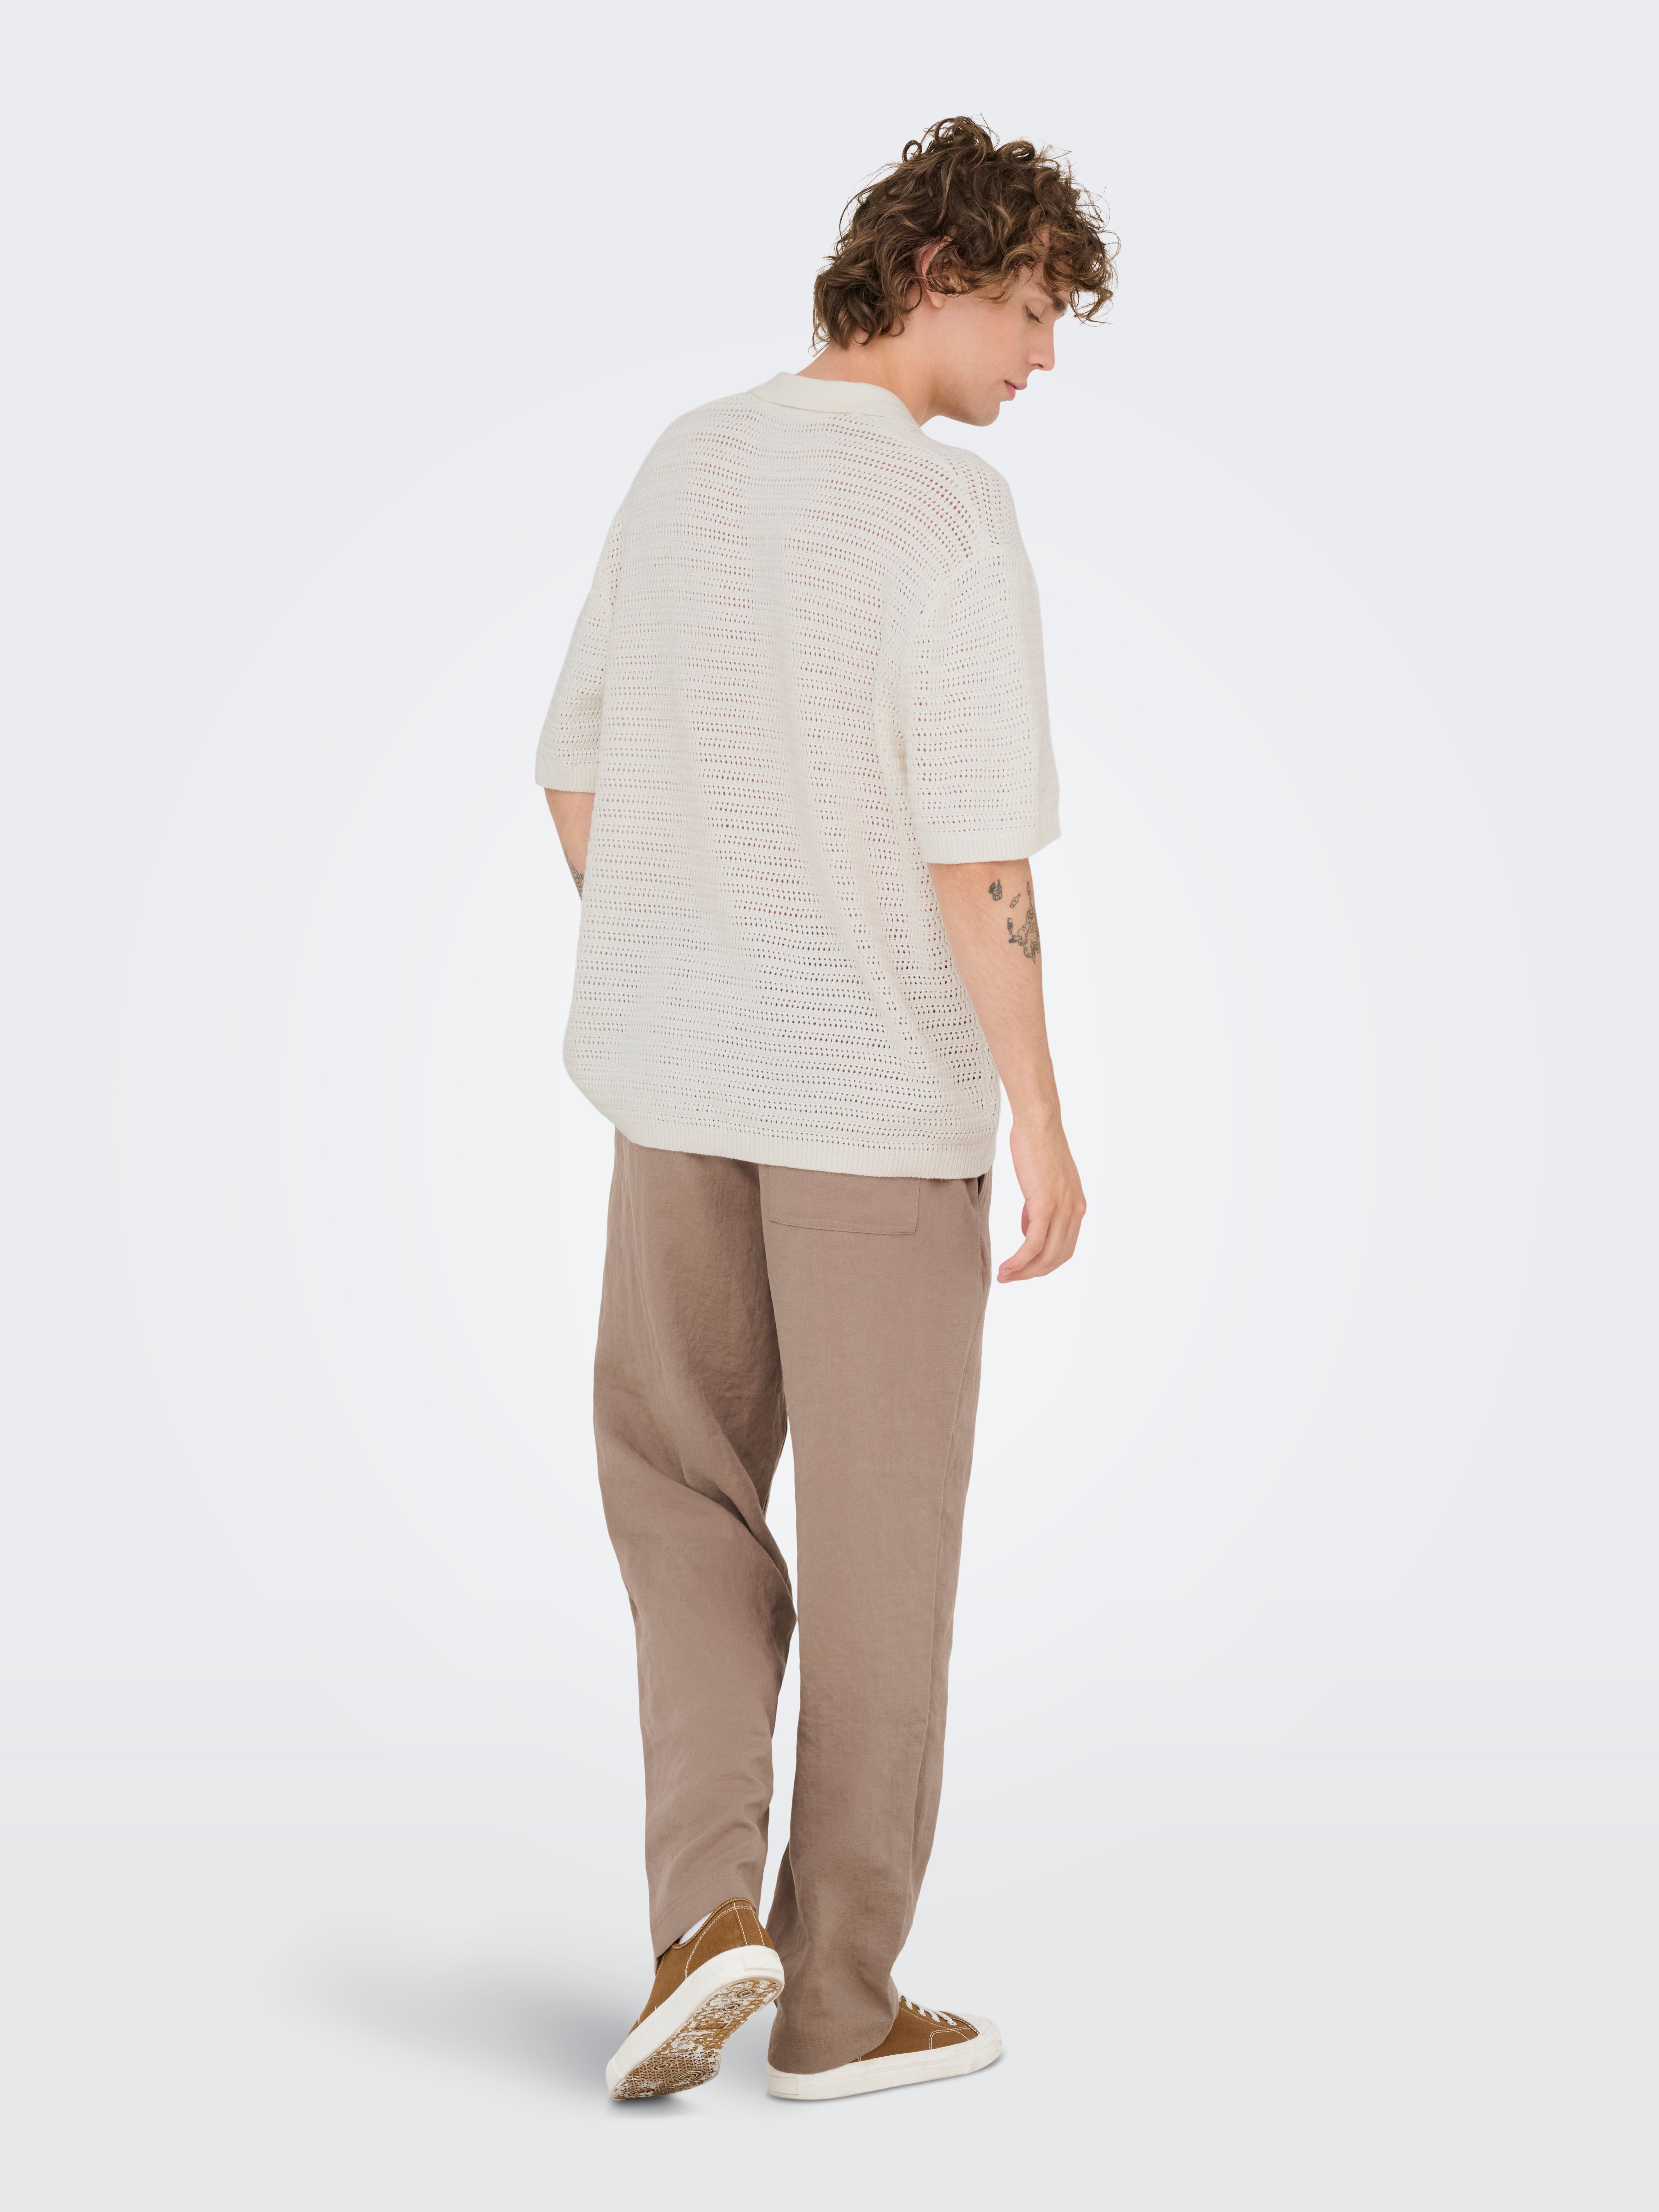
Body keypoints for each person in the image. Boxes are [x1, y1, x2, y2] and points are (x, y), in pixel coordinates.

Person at [537, 116, 1114, 2102]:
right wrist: (1043, 1118)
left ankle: (703, 1920)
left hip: (675, 1089)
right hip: (875, 1115)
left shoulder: (686, 464)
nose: (1044, 355)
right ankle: (842, 2006)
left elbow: (575, 770)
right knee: (883, 1555)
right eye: (1031, 308)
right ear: (939, 273)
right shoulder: (942, 514)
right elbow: (978, 855)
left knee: (681, 1495)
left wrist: (696, 945)